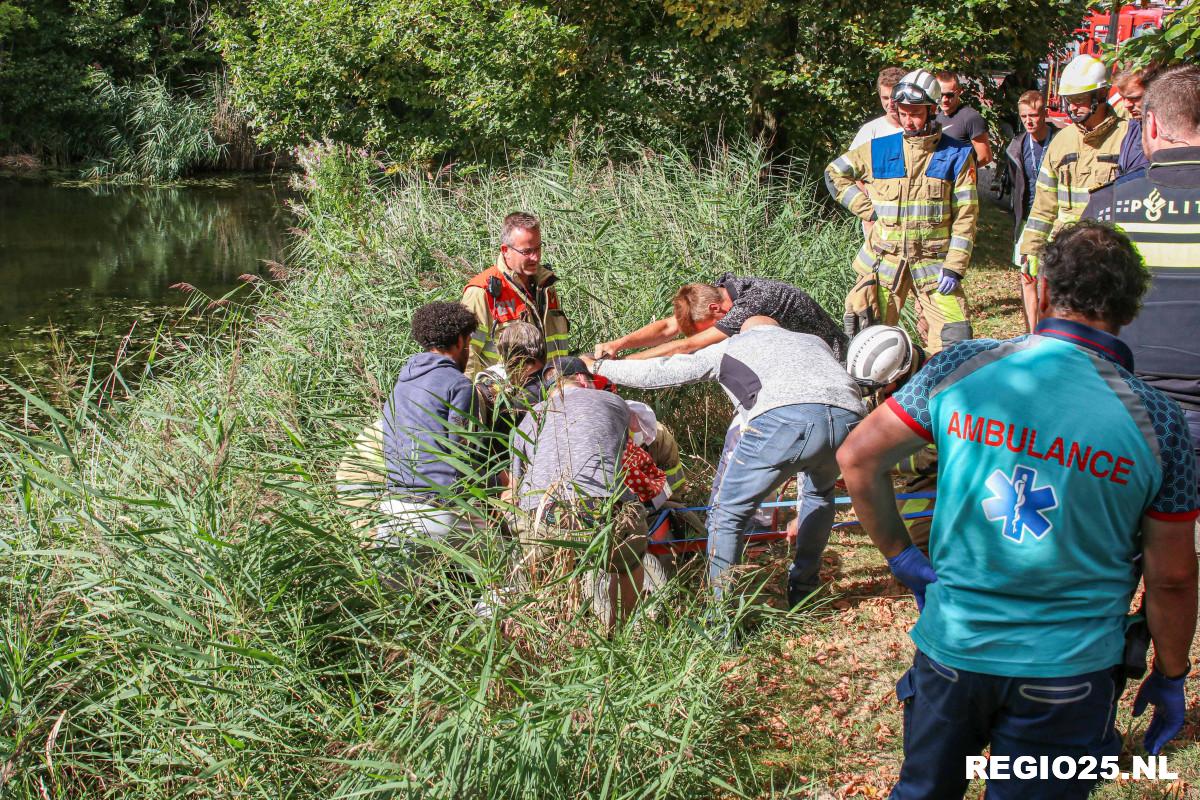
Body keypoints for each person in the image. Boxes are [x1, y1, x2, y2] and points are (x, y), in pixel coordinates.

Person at [838, 221, 1198, 798]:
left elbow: (858, 458)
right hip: (1071, 673)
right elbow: (1173, 577)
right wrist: (1171, 673)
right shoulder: (1160, 423)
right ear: (1130, 310)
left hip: (953, 650)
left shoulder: (960, 367)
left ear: (1044, 291)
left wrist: (903, 557)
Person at [589, 316, 866, 607]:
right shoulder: (813, 341)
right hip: (850, 417)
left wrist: (600, 368)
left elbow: (666, 370)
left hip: (783, 420)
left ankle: (722, 620)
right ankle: (804, 589)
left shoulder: (735, 345)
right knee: (819, 496)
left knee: (727, 514)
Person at [1086, 64, 1200, 525]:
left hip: (1125, 416)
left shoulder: (1108, 206)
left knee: (1114, 557)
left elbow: (1080, 319)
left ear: (1151, 124)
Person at [825, 68, 978, 353]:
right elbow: (835, 173)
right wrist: (867, 210)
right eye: (904, 112)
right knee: (868, 340)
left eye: (916, 113)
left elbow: (965, 217)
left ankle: (935, 393)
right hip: (883, 263)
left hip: (935, 266)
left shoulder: (957, 155)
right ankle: (876, 398)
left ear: (932, 111)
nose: (909, 120)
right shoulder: (879, 149)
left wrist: (955, 266)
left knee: (956, 342)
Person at [509, 357, 648, 625]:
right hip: (603, 511)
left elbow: (514, 489)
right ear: (583, 380)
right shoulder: (613, 403)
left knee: (537, 563)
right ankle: (618, 629)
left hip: (542, 516)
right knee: (629, 563)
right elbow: (627, 448)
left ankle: (549, 630)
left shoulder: (529, 417)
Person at [1018, 55, 1131, 297]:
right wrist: (1030, 248)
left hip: (1108, 252)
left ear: (1100, 96)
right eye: (1069, 101)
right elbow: (1043, 206)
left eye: (1079, 100)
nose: (1072, 108)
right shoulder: (1062, 142)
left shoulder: (1126, 139)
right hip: (1065, 252)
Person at [379, 301, 481, 547]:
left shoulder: (400, 385)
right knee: (510, 566)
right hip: (439, 509)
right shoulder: (458, 384)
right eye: (468, 343)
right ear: (459, 341)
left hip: (393, 511)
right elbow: (461, 452)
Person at [593, 273, 847, 361]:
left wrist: (617, 366)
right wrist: (618, 344)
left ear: (716, 310)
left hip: (836, 360)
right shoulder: (720, 294)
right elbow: (668, 328)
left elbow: (688, 345)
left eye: (703, 328)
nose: (702, 334)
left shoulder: (752, 303)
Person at [461, 211, 569, 379]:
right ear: (505, 250)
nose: (535, 257)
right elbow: (467, 354)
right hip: (507, 396)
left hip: (554, 390)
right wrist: (473, 400)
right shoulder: (481, 292)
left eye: (538, 248)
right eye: (527, 251)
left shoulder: (546, 285)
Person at [1004, 90, 1059, 331]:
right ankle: (1031, 330)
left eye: (1034, 115)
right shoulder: (1017, 145)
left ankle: (1050, 328)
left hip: (1055, 218)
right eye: (1024, 116)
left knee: (1051, 278)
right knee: (1027, 275)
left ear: (1045, 114)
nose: (1029, 121)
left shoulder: (1059, 140)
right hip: (1028, 219)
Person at [1113, 62, 1161, 176]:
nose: (1126, 105)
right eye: (1123, 97)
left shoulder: (1171, 135)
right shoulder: (1134, 127)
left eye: (1135, 98)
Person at [935, 71, 993, 167]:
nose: (944, 99)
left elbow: (985, 157)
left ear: (959, 92)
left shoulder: (970, 118)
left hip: (961, 181)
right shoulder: (938, 117)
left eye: (949, 95)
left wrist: (961, 174)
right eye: (940, 95)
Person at [850, 67, 906, 150]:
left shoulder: (921, 128)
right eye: (885, 98)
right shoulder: (869, 131)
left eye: (895, 97)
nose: (890, 103)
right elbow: (852, 161)